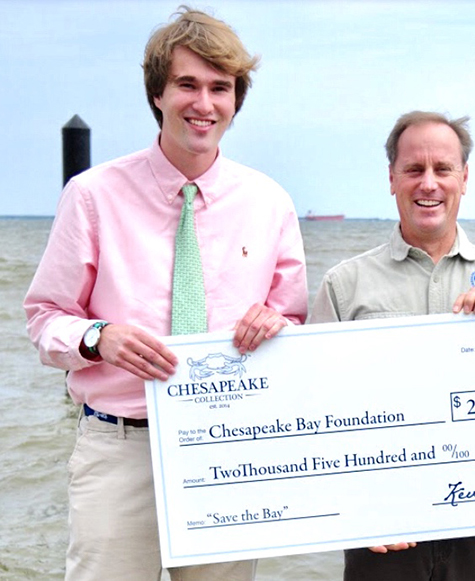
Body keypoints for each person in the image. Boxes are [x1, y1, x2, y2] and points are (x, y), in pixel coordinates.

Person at [24, 7, 307, 581]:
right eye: (187, 85)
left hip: (228, 448)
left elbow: (295, 322)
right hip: (119, 448)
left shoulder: (270, 202)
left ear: (235, 101)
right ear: (158, 93)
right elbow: (44, 319)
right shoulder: (91, 195)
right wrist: (98, 337)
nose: (204, 103)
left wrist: (280, 328)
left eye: (219, 88)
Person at [310, 110, 475, 581]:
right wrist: (349, 509)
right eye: (414, 169)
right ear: (392, 179)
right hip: (383, 532)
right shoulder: (344, 284)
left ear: (464, 179)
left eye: (442, 169)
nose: (428, 183)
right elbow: (313, 411)